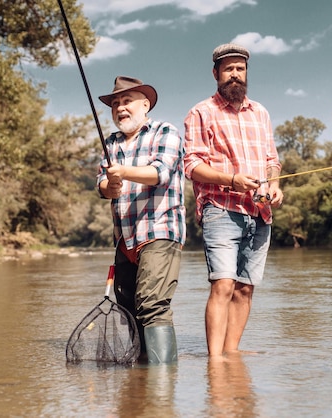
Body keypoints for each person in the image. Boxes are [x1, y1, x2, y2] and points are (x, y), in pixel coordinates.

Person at [183, 43, 283, 357]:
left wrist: (275, 185)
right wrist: (233, 180)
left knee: (244, 288)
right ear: (216, 73)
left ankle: (231, 355)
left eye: (240, 69)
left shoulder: (261, 112)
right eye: (229, 69)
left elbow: (272, 160)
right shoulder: (200, 112)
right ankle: (215, 362)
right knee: (223, 284)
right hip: (219, 210)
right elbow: (192, 166)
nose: (235, 75)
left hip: (259, 212)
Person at [96, 76, 185, 364]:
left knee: (153, 305)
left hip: (159, 230)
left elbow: (160, 173)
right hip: (124, 239)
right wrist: (109, 186)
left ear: (145, 104)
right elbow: (102, 185)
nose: (120, 108)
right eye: (116, 104)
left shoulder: (165, 131)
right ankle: (140, 387)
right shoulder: (110, 142)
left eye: (127, 101)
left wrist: (122, 171)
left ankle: (160, 389)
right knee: (129, 310)